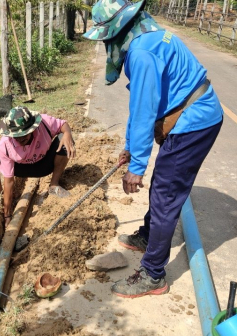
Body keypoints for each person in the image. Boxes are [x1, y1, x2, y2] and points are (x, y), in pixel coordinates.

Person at [83, 0, 224, 298]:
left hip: (195, 122)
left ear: (116, 29)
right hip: (183, 115)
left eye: (106, 36)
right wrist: (131, 148)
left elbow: (145, 112)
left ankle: (153, 274)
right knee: (163, 188)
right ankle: (149, 236)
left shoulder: (142, 53)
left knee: (165, 194)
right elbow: (139, 107)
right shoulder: (145, 35)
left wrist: (136, 168)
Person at [0, 106, 76, 226]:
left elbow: (63, 124)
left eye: (24, 134)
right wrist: (7, 215)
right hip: (20, 169)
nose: (21, 138)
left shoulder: (44, 123)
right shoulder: (5, 144)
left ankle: (54, 185)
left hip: (43, 165)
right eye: (16, 136)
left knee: (63, 140)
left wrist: (68, 133)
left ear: (32, 128)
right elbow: (9, 181)